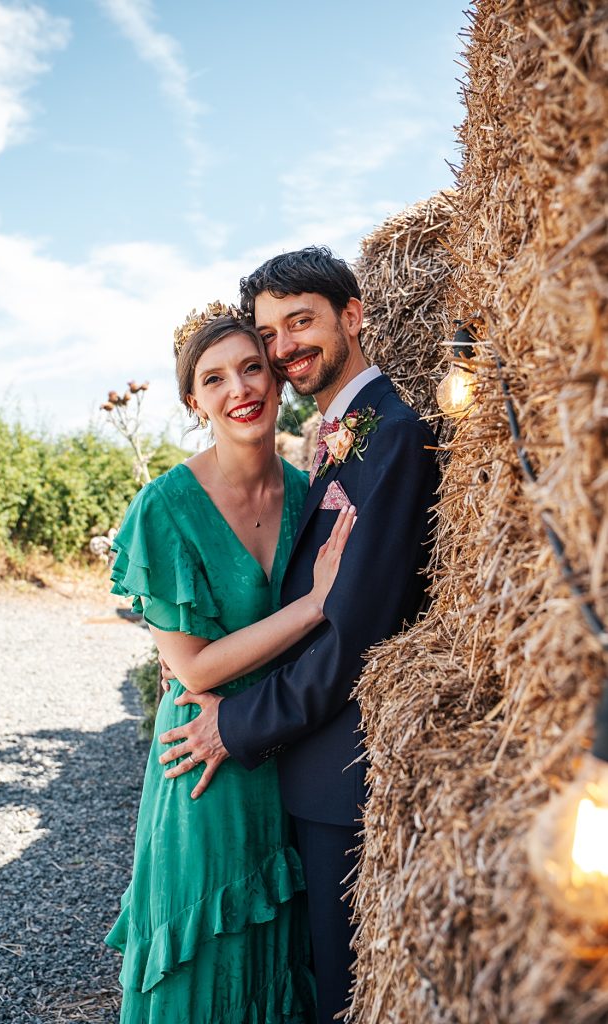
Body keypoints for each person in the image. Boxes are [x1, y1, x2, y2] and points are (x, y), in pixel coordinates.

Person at [158, 247, 439, 1023]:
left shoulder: (392, 439)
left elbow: (351, 631)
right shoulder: (339, 438)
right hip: (301, 770)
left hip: (336, 776)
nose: (283, 348)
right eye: (269, 331)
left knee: (340, 992)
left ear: (352, 315)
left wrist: (236, 725)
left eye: (300, 321)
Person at [104, 302, 355, 1024]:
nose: (239, 389)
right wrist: (311, 605)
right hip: (205, 761)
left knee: (282, 965)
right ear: (193, 400)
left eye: (252, 368)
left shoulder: (312, 495)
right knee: (209, 965)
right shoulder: (163, 509)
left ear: (276, 380)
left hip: (288, 755)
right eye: (214, 379)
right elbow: (195, 669)